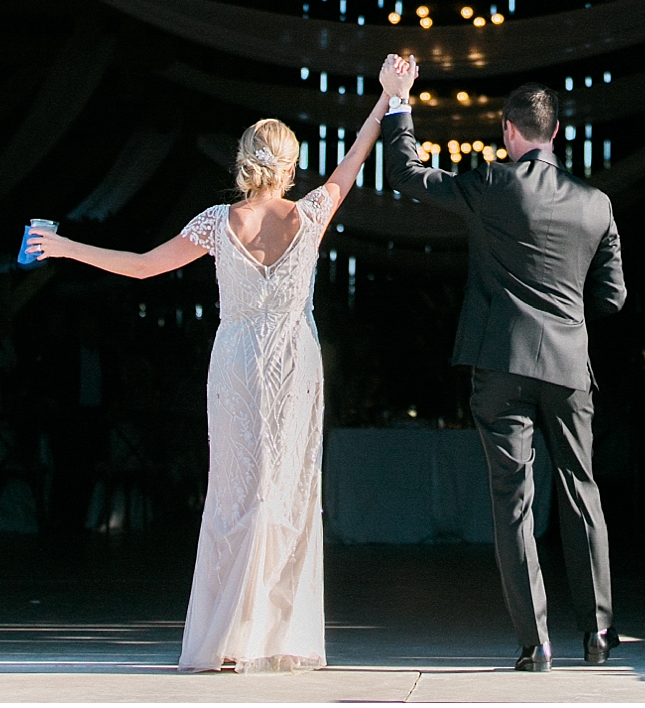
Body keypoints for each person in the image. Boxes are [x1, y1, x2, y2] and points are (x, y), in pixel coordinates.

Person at [27, 85, 390, 673]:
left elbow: (143, 267)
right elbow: (353, 158)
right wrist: (386, 98)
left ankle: (230, 637)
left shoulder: (218, 222)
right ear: (291, 164)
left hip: (239, 359)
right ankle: (276, 635)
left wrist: (67, 247)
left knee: (236, 491)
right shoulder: (312, 212)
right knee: (289, 492)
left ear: (244, 160)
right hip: (294, 360)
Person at [379, 59, 627, 671]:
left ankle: (535, 643)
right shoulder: (597, 204)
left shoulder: (493, 184)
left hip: (500, 360)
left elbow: (407, 174)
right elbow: (614, 297)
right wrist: (567, 310)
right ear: (556, 134)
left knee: (513, 499)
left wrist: (398, 101)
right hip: (569, 365)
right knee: (582, 496)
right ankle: (597, 636)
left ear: (509, 133)